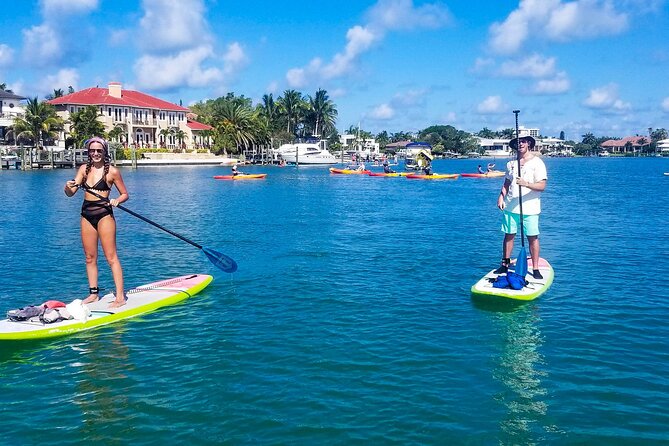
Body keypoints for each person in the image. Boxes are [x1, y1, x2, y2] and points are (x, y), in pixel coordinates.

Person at [64, 137, 129, 308]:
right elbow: (70, 193)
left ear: (105, 152)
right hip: (86, 213)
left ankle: (120, 297)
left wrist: (117, 201)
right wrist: (67, 186)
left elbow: (125, 194)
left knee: (111, 257)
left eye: (99, 150)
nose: (95, 153)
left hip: (104, 214)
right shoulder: (84, 169)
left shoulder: (112, 172)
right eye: (92, 150)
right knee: (89, 257)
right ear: (88, 152)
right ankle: (93, 294)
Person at [494, 136, 547, 280]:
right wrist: (501, 197)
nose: (520, 144)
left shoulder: (538, 163)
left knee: (532, 237)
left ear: (529, 143)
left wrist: (526, 183)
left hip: (530, 208)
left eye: (523, 141)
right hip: (511, 206)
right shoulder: (511, 164)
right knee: (508, 235)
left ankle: (535, 268)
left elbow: (542, 186)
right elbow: (506, 183)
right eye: (518, 142)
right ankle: (505, 264)